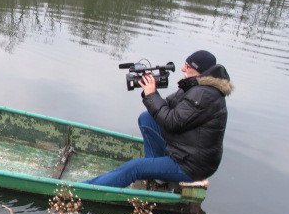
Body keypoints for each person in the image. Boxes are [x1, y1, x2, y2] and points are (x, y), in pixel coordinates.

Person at [85, 50, 233, 188]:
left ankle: (86, 187)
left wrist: (151, 95)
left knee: (135, 167)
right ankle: (158, 175)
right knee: (147, 118)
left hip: (192, 166)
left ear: (198, 70)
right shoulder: (197, 87)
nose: (182, 69)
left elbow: (171, 122)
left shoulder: (203, 95)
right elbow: (168, 106)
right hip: (187, 152)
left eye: (187, 66)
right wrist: (150, 90)